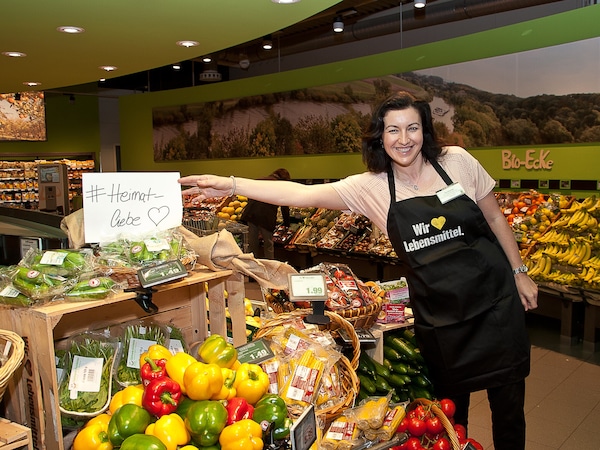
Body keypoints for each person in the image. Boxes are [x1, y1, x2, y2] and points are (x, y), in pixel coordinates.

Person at [179, 91, 538, 450]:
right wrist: (232, 184)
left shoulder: (456, 161)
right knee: (450, 419)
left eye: (412, 128)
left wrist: (519, 271)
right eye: (393, 130)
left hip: (494, 303)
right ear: (380, 137)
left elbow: (493, 216)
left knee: (509, 413)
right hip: (442, 317)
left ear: (424, 130)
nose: (404, 139)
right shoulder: (372, 187)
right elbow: (299, 195)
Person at [240, 168, 291, 259]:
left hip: (251, 214)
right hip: (266, 217)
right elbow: (284, 206)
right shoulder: (280, 186)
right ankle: (270, 266)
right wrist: (287, 223)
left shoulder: (259, 180)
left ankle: (252, 265)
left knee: (252, 244)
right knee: (268, 244)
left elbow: (248, 195)